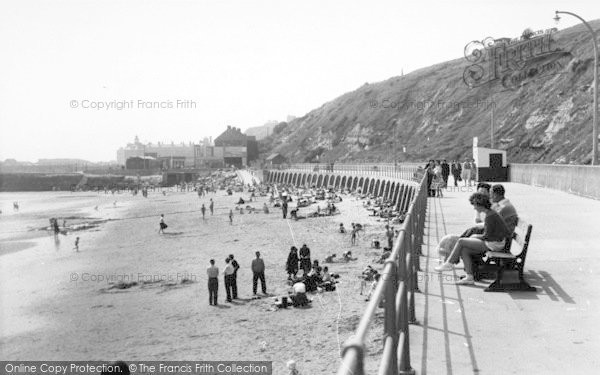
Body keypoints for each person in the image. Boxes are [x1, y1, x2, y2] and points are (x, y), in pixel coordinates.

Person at [434, 193, 511, 285]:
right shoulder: (490, 213)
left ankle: (449, 263)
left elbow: (487, 236)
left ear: (480, 204)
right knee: (464, 250)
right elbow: (489, 234)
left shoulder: (490, 216)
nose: (474, 208)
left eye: (474, 205)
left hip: (494, 244)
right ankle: (469, 277)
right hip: (495, 242)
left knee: (461, 241)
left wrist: (476, 236)